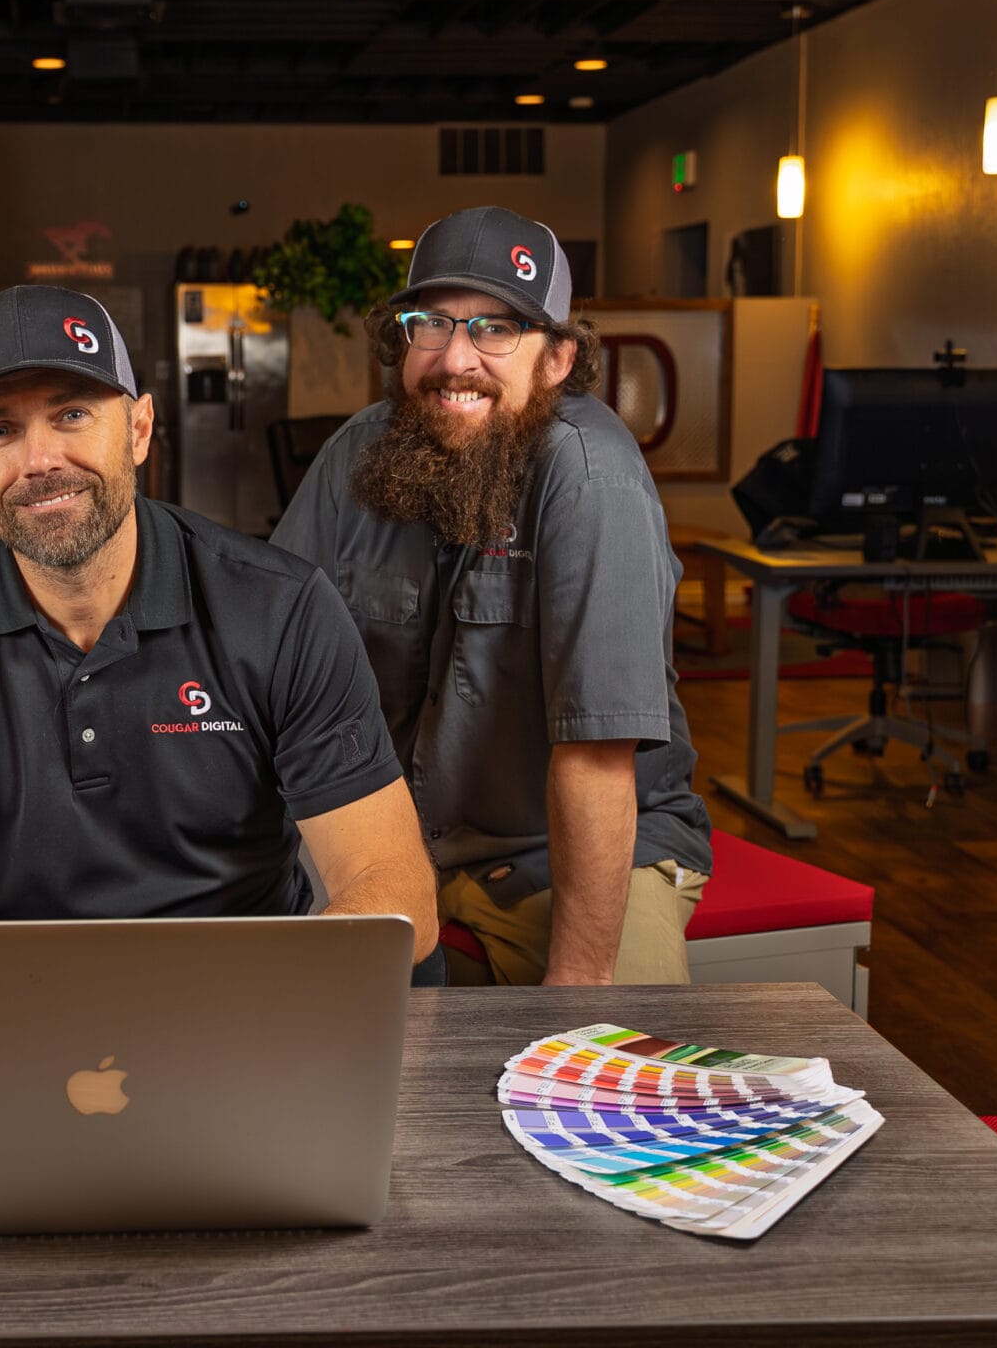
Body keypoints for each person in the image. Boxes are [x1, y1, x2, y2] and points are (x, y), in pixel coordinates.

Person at [0, 284, 440, 1011]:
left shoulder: (279, 608)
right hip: (4, 1018)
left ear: (138, 428)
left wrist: (269, 1006)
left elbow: (392, 889)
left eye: (71, 415)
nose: (40, 459)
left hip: (241, 1007)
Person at [271, 206, 713, 987]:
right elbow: (266, 655)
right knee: (278, 1029)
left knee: (609, 1081)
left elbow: (596, 752)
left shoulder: (589, 475)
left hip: (557, 847)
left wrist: (576, 990)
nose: (455, 358)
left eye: (497, 329)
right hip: (388, 837)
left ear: (557, 359)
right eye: (430, 324)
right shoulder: (356, 454)